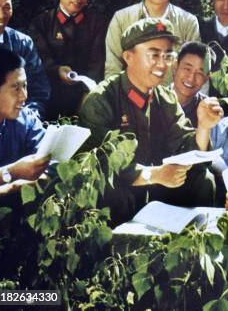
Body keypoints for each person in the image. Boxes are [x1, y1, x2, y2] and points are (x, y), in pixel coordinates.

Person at [79, 18, 219, 226]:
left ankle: (193, 249)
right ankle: (115, 254)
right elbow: (103, 166)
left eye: (168, 55)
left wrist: (204, 126)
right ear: (128, 57)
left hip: (154, 188)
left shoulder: (165, 98)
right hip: (120, 191)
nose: (162, 64)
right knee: (113, 194)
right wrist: (155, 174)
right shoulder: (102, 100)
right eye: (154, 55)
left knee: (203, 180)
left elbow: (185, 147)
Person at [104, 0, 200, 85]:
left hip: (172, 98)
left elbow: (195, 68)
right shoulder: (122, 18)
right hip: (131, 97)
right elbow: (113, 68)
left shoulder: (188, 21)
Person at [29, 0, 106, 120]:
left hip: (86, 98)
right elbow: (40, 60)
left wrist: (88, 97)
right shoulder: (41, 22)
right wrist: (57, 70)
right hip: (49, 99)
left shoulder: (97, 23)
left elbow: (97, 64)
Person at [0, 47, 49, 196]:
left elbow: (50, 162)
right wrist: (12, 174)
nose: (24, 96)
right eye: (16, 88)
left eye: (24, 86)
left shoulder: (26, 120)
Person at [0, 0, 50, 118]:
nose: (1, 15)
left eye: (7, 7)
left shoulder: (22, 44)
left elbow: (39, 94)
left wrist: (24, 121)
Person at [172, 41, 213, 128]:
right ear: (175, 66)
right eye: (187, 69)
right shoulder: (154, 97)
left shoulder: (208, 110)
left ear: (206, 78)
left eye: (199, 73)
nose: (191, 78)